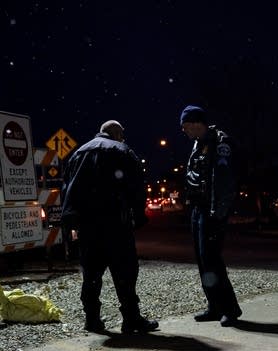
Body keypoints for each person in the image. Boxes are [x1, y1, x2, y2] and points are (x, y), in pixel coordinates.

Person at [61, 120, 159, 334]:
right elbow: (136, 187)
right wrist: (138, 217)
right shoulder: (122, 151)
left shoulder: (78, 154)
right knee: (125, 273)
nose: (123, 139)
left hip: (88, 226)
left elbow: (67, 188)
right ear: (115, 133)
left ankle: (92, 320)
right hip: (116, 223)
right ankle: (131, 319)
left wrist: (71, 222)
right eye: (122, 134)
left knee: (91, 275)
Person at [180, 105, 242, 327]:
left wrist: (218, 212)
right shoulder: (199, 144)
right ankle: (214, 306)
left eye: (186, 126)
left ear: (197, 123)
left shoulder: (219, 142)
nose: (184, 131)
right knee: (203, 260)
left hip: (212, 210)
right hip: (199, 208)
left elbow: (223, 181)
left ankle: (230, 309)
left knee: (212, 259)